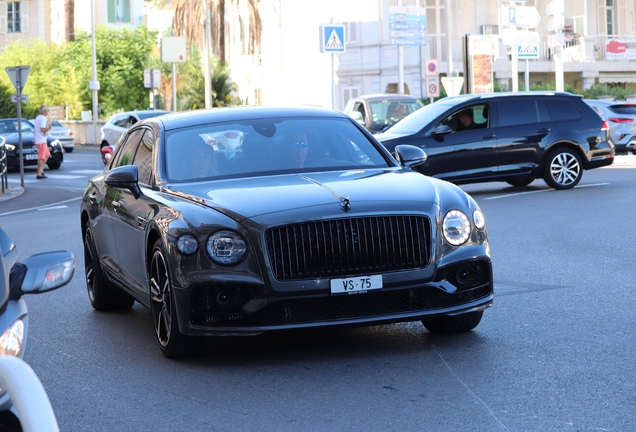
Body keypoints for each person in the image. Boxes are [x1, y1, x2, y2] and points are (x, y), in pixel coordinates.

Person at [33, 105, 52, 179]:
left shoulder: (38, 117)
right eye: (47, 110)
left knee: (47, 155)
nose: (48, 112)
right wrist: (49, 128)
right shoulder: (43, 118)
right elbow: (42, 129)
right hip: (41, 140)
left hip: (41, 140)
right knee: (41, 157)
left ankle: (41, 170)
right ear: (44, 111)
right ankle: (39, 173)